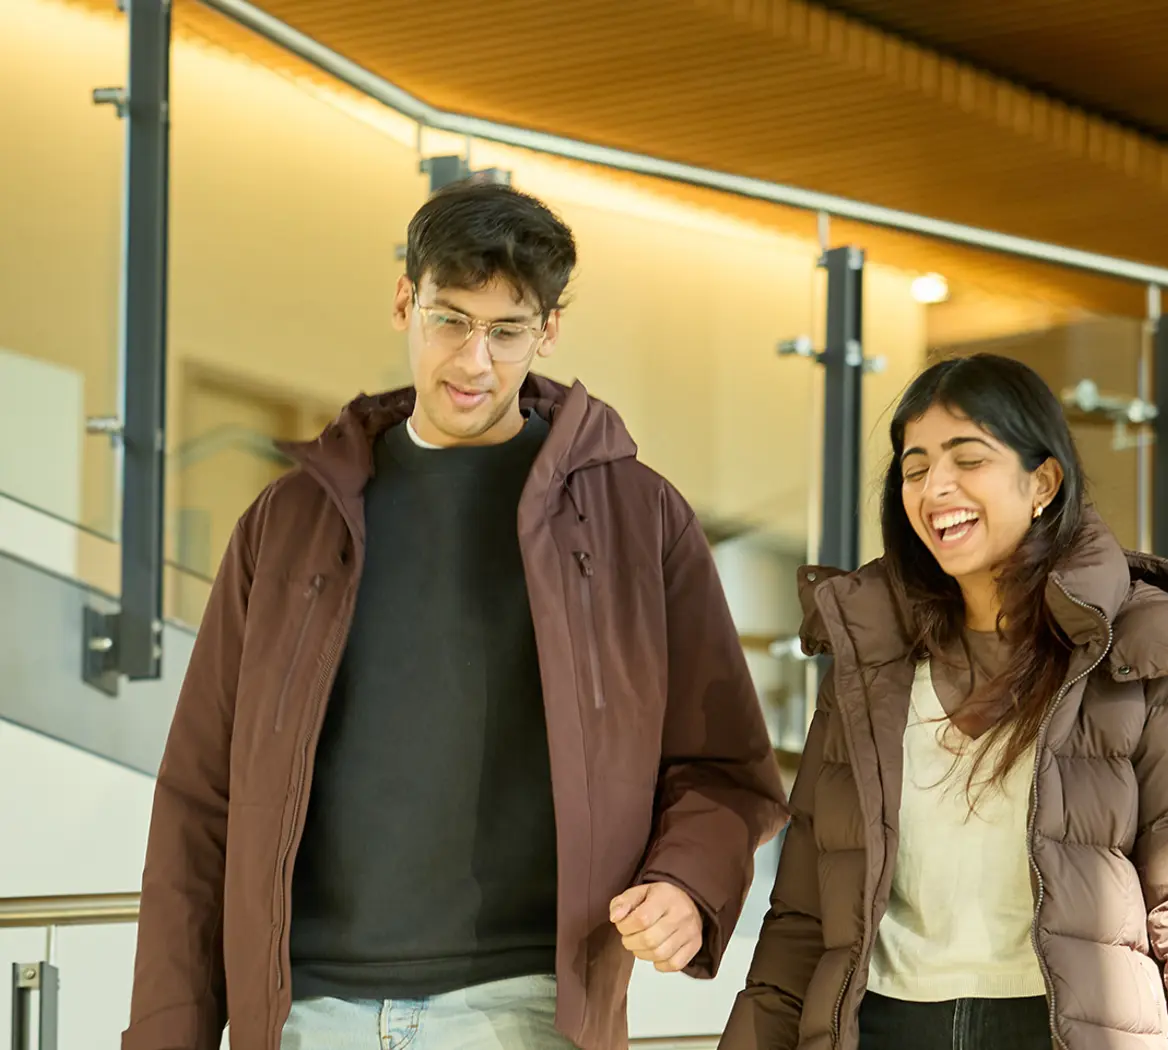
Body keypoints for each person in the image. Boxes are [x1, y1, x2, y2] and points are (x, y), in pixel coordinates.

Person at [122, 179, 788, 1050]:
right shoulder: (287, 525)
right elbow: (199, 804)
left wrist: (686, 884)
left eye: (507, 331)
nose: (475, 362)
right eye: (450, 320)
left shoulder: (638, 519)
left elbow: (725, 766)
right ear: (406, 302)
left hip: (525, 1012)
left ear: (548, 332)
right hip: (304, 1017)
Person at [720, 353, 1168, 1050]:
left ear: (1043, 481)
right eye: (917, 466)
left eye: (969, 459)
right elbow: (805, 917)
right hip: (885, 1030)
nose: (937, 488)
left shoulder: (1148, 646)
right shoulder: (870, 662)